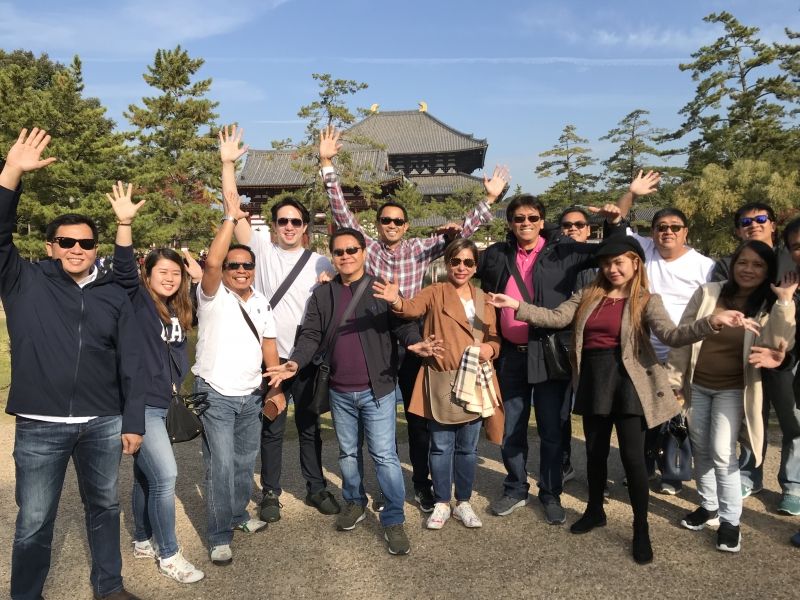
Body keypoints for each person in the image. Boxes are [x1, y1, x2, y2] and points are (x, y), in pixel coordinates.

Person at [488, 235, 750, 564]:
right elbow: (557, 318)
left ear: (635, 263)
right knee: (595, 454)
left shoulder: (646, 299)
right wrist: (517, 307)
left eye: (619, 262)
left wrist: (710, 322)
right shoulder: (588, 294)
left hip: (630, 384)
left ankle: (641, 528)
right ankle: (595, 510)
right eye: (607, 263)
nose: (612, 269)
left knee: (633, 459)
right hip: (594, 380)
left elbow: (672, 334)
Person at [319, 125, 508, 512]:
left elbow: (460, 239)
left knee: (420, 419)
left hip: (412, 336)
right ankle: (366, 489)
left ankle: (422, 484)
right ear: (378, 224)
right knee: (373, 419)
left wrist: (488, 199)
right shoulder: (366, 248)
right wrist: (326, 164)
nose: (390, 226)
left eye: (397, 222)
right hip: (375, 338)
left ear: (405, 226)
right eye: (385, 221)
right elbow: (340, 211)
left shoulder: (419, 250)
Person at [1, 128, 145, 600]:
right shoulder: (23, 281)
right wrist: (12, 174)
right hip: (40, 423)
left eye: (85, 243)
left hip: (102, 421)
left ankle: (110, 586)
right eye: (65, 242)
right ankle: (26, 594)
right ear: (49, 246)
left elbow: (132, 360)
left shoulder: (111, 293)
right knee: (35, 519)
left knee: (104, 507)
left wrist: (133, 419)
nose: (75, 249)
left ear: (95, 249)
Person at [266, 228, 438, 555]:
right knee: (347, 453)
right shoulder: (323, 295)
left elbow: (402, 324)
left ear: (363, 252)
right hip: (340, 391)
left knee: (384, 455)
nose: (346, 256)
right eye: (340, 251)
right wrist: (294, 364)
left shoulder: (379, 289)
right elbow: (310, 336)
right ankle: (354, 502)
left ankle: (394, 518)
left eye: (352, 250)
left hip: (378, 390)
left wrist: (414, 342)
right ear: (333, 255)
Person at [477, 190, 624, 525]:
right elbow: (461, 258)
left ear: (542, 222)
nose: (525, 223)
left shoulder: (564, 253)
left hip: (549, 352)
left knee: (552, 430)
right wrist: (460, 227)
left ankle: (550, 493)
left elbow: (608, 251)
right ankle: (515, 487)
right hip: (511, 357)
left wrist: (615, 223)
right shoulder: (499, 255)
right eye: (518, 218)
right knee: (512, 426)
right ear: (510, 223)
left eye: (532, 218)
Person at [219, 125, 340, 522]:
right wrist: (227, 166)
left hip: (304, 358)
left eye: (296, 222)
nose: (289, 226)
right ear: (274, 225)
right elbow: (233, 208)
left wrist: (328, 164)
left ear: (306, 227)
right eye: (282, 221)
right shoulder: (261, 250)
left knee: (309, 425)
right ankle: (270, 492)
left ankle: (315, 486)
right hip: (268, 356)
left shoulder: (322, 262)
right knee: (270, 425)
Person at [668, 240, 796, 553]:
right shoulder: (710, 293)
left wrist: (783, 303)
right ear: (733, 263)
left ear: (767, 270)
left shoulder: (768, 304)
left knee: (722, 451)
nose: (748, 269)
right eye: (743, 262)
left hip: (733, 389)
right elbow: (684, 335)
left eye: (758, 265)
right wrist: (674, 380)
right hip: (697, 384)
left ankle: (730, 521)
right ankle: (708, 505)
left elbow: (780, 344)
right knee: (700, 447)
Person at [105, 182, 204, 583]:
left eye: (175, 274)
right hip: (140, 403)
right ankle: (169, 553)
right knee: (166, 476)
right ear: (147, 274)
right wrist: (124, 224)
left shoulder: (176, 307)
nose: (169, 278)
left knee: (148, 475)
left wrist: (197, 280)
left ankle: (144, 537)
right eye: (162, 272)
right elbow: (124, 270)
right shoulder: (137, 299)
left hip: (164, 402)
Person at [373, 239, 501, 530]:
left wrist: (490, 350)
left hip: (475, 379)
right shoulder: (435, 292)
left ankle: (464, 501)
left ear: (475, 267)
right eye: (455, 261)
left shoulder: (484, 298)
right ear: (446, 263)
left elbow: (495, 338)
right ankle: (443, 501)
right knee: (441, 446)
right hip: (442, 376)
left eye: (468, 262)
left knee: (468, 448)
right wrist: (395, 299)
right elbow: (409, 309)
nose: (461, 268)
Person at [192, 189, 284, 566]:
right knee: (222, 464)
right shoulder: (212, 295)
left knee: (245, 461)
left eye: (247, 266)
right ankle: (218, 534)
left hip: (250, 394)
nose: (241, 270)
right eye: (235, 266)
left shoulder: (261, 301)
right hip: (215, 392)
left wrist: (275, 389)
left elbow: (270, 348)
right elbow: (212, 263)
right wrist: (230, 217)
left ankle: (237, 514)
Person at [616, 171, 716, 495]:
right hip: (644, 347)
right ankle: (641, 468)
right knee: (643, 412)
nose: (668, 232)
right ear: (653, 232)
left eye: (675, 227)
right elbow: (617, 221)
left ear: (685, 232)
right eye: (662, 227)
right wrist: (631, 193)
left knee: (678, 413)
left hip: (682, 349)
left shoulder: (704, 265)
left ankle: (673, 473)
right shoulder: (644, 251)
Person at [711, 202, 800, 515]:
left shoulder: (792, 257)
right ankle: (750, 474)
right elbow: (721, 302)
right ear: (737, 230)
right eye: (745, 221)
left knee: (793, 420)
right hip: (746, 351)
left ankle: (793, 484)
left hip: (786, 350)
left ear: (773, 224)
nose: (754, 224)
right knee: (751, 415)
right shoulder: (728, 263)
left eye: (761, 219)